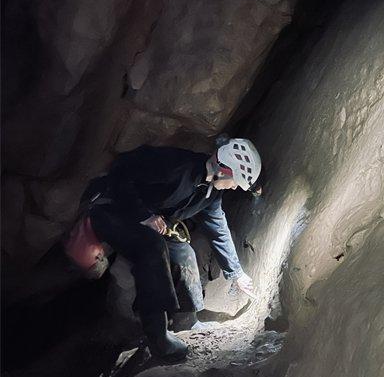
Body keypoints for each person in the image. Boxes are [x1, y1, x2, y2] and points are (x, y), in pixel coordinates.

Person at [83, 138, 261, 362]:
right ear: (223, 170)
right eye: (236, 181)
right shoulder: (174, 166)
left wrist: (236, 273)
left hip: (149, 221)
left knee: (184, 253)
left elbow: (218, 228)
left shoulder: (211, 193)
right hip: (111, 208)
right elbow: (120, 171)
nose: (235, 187)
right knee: (152, 248)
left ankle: (188, 321)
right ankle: (158, 338)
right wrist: (143, 215)